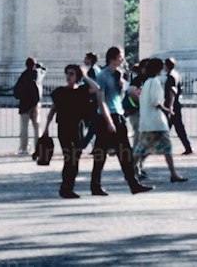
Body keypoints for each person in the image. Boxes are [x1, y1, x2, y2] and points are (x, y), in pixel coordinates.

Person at [91, 46, 152, 196]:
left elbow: (118, 97)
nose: (123, 60)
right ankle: (96, 185)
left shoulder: (119, 75)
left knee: (125, 152)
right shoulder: (103, 75)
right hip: (107, 117)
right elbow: (101, 100)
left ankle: (133, 183)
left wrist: (121, 84)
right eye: (121, 57)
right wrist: (108, 121)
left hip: (118, 115)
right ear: (113, 58)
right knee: (101, 154)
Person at [40, 63, 105, 199]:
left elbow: (96, 88)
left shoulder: (82, 91)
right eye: (67, 73)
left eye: (72, 74)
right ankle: (65, 188)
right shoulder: (60, 92)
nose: (68, 76)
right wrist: (45, 129)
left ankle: (68, 187)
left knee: (75, 159)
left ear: (77, 76)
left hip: (78, 129)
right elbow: (52, 111)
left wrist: (85, 76)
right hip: (64, 128)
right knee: (69, 158)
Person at [131, 58, 188, 184]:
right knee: (166, 148)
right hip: (156, 121)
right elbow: (155, 102)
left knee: (141, 149)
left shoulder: (146, 83)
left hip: (146, 121)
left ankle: (131, 172)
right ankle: (173, 174)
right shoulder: (155, 82)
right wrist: (167, 109)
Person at [13, 57, 43, 158]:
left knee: (24, 127)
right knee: (37, 128)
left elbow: (16, 91)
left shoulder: (23, 75)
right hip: (35, 104)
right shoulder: (38, 75)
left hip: (24, 104)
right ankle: (38, 148)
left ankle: (24, 148)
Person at [163, 58, 192, 155]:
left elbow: (172, 91)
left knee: (167, 127)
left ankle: (161, 148)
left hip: (172, 104)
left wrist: (170, 106)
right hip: (175, 104)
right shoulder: (175, 74)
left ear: (166, 65)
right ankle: (187, 147)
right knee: (177, 128)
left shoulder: (171, 76)